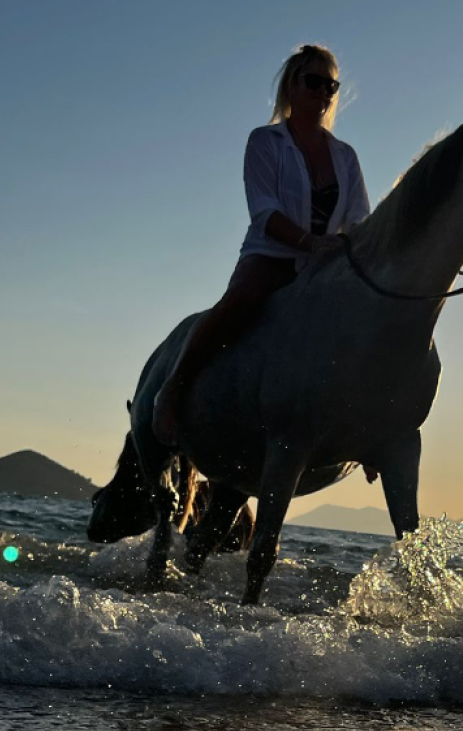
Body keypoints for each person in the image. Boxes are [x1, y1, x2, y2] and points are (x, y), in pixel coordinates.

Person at [153, 44, 372, 446]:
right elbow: (265, 212)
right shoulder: (265, 142)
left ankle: (369, 430)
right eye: (314, 81)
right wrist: (310, 242)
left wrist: (344, 250)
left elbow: (359, 218)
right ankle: (174, 387)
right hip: (271, 257)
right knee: (242, 301)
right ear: (291, 84)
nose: (323, 91)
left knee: (370, 321)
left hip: (326, 266)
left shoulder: (346, 156)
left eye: (331, 84)